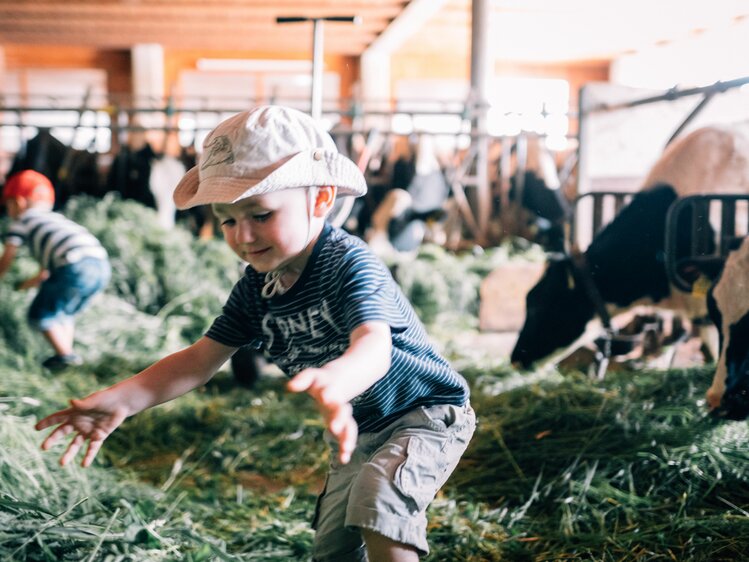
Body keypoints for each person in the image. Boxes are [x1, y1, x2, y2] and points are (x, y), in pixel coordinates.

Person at [35, 106, 475, 561]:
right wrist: (123, 400)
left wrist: (337, 382)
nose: (243, 235)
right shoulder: (255, 289)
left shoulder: (349, 263)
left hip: (422, 412)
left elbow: (375, 345)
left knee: (381, 499)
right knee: (333, 547)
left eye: (260, 214)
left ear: (321, 199)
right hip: (356, 427)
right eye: (227, 219)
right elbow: (200, 359)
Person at [0, 169, 111, 369]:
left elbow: (8, 256)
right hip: (100, 265)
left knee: (40, 314)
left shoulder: (22, 221)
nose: (8, 211)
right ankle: (65, 355)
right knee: (63, 313)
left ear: (18, 202)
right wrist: (21, 286)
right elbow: (44, 275)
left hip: (74, 265)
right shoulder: (53, 222)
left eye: (7, 205)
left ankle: (66, 356)